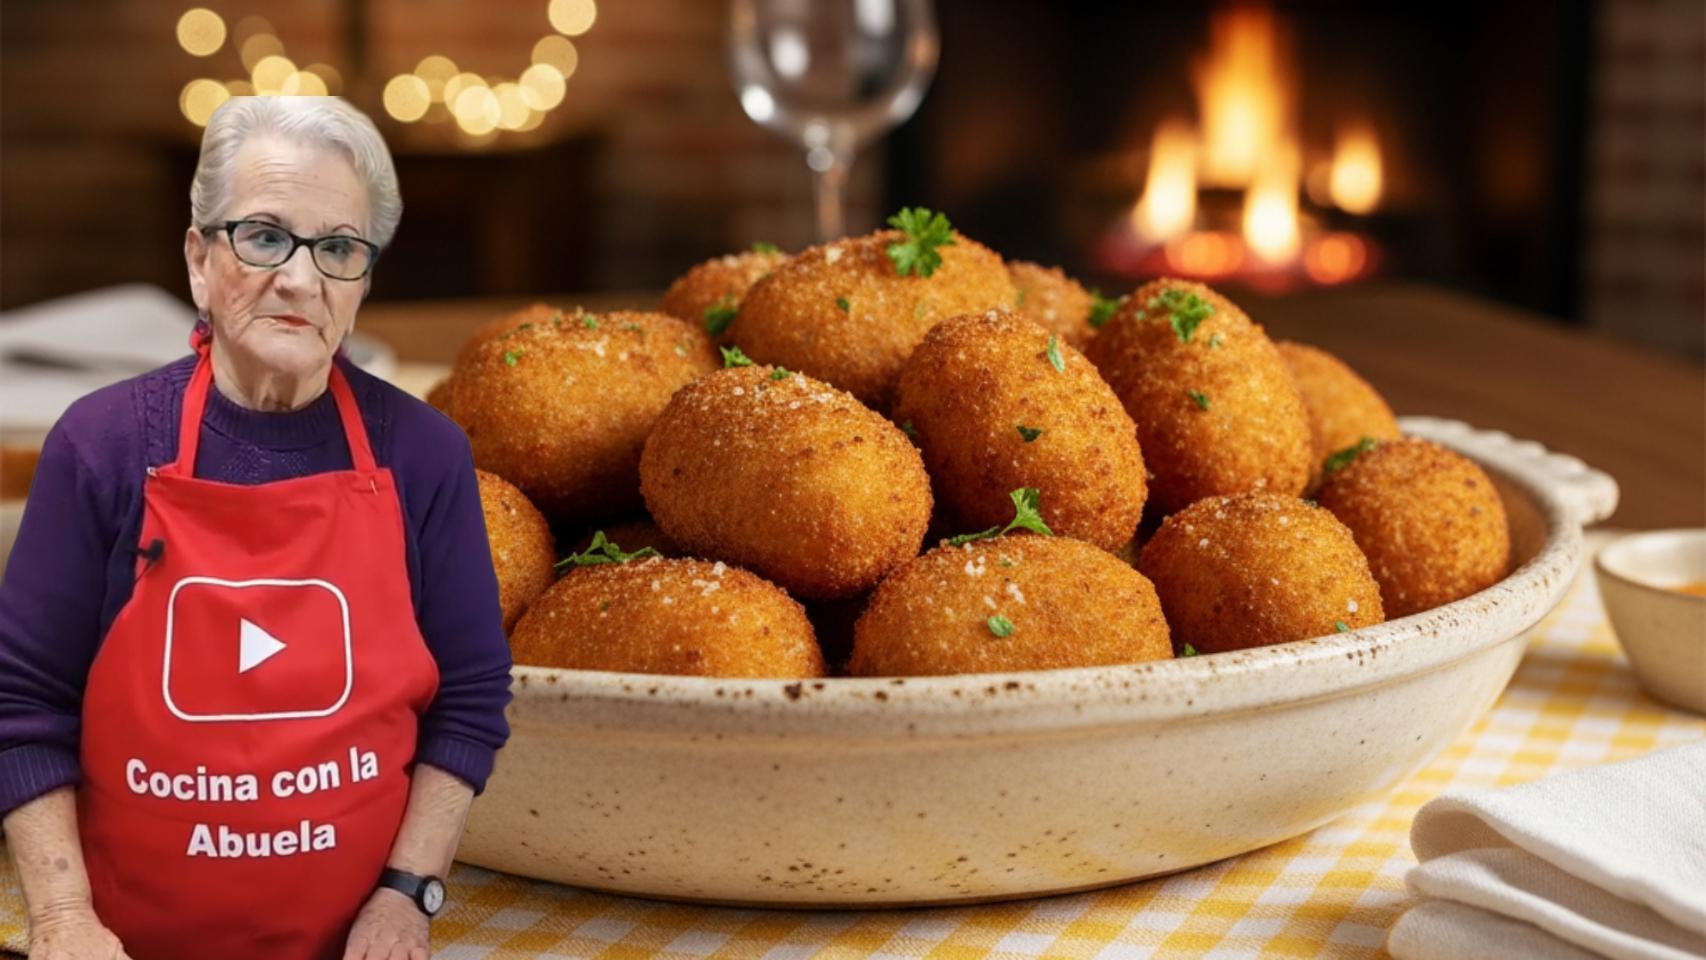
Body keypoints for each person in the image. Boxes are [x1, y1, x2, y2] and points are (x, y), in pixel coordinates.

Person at [0, 96, 513, 959]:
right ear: (200, 259)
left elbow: (468, 700)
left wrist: (405, 897)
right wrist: (61, 919)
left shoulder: (423, 453)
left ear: (363, 280)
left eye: (339, 249)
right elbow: (21, 702)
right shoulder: (103, 444)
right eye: (266, 236)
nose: (302, 280)